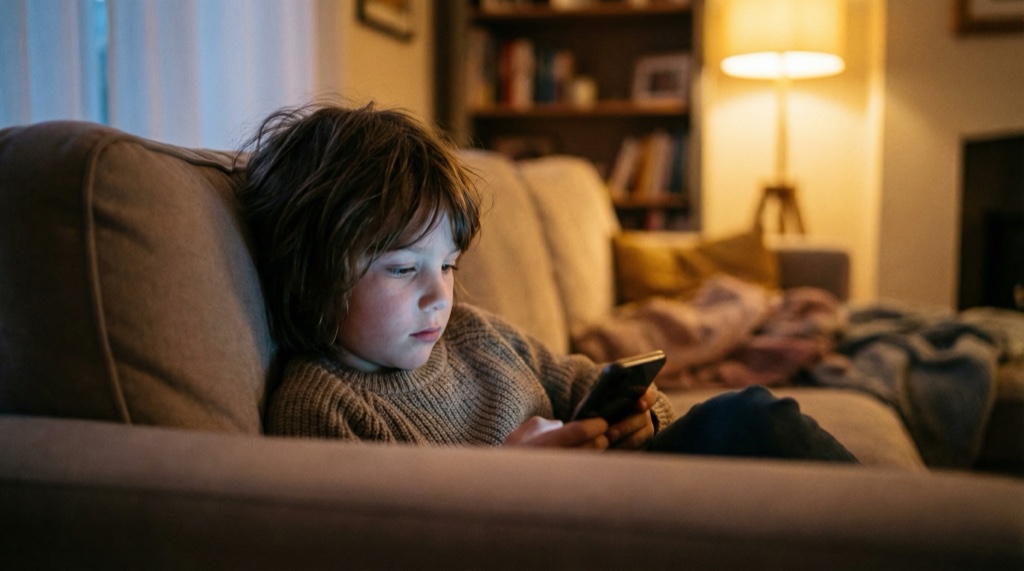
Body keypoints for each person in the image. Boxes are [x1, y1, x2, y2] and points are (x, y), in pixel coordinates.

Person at [239, 101, 857, 461]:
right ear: (312, 275)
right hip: (539, 532)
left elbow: (588, 381)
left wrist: (648, 418)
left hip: (615, 492)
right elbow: (379, 540)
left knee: (749, 416)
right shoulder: (321, 406)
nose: (440, 296)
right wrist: (509, 480)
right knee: (749, 423)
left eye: (448, 265)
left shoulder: (476, 335)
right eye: (404, 269)